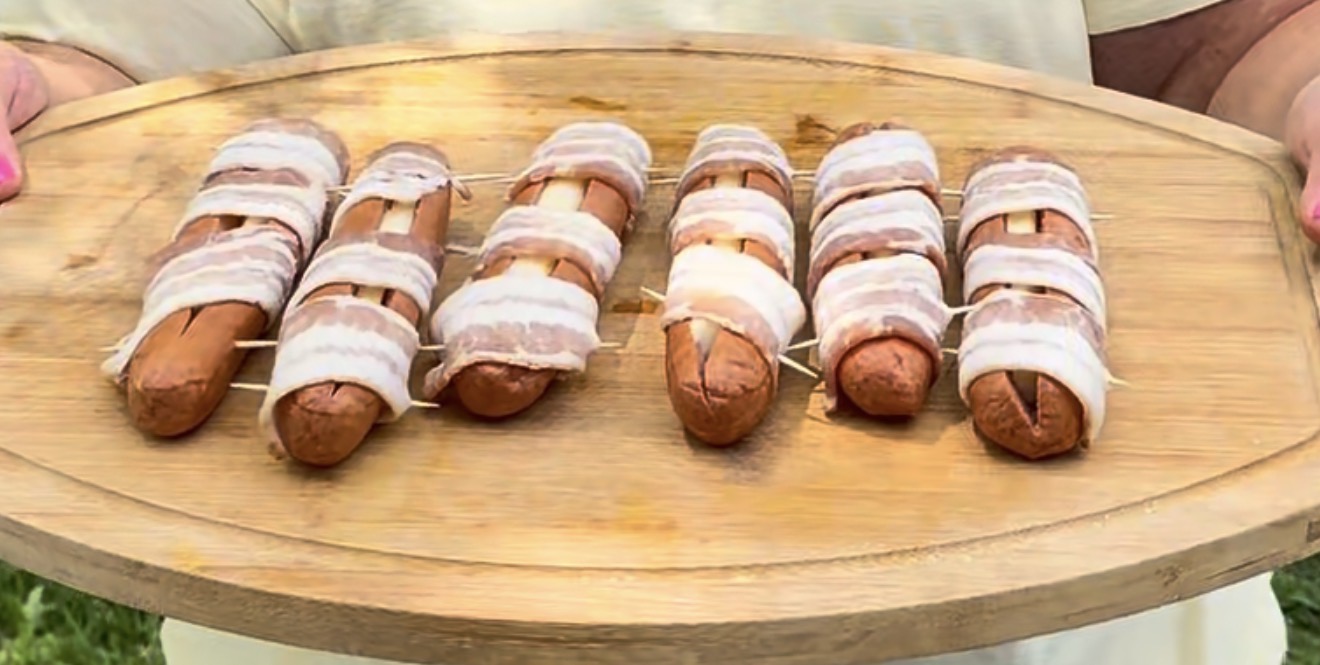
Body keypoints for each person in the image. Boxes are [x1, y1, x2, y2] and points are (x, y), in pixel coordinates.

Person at [0, 1, 1315, 664]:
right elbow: (119, 58)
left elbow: (1220, 45)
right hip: (348, 618)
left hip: (1067, 623)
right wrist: (37, 90)